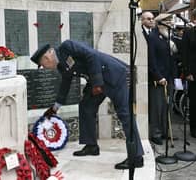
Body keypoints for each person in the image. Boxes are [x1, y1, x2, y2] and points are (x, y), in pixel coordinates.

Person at [30, 40, 144, 170]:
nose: (44, 68)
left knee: (125, 115)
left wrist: (97, 83)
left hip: (113, 76)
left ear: (46, 57)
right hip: (97, 82)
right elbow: (65, 84)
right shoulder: (61, 65)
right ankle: (91, 146)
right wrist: (55, 108)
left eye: (42, 65)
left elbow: (92, 55)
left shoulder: (67, 46)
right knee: (86, 106)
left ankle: (136, 157)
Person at [147, 13, 176, 145]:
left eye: (170, 20)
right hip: (158, 78)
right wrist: (158, 76)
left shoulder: (167, 37)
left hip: (169, 77)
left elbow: (172, 58)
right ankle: (156, 133)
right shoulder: (153, 37)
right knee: (157, 108)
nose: (170, 23)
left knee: (167, 106)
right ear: (160, 23)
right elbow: (151, 59)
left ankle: (166, 131)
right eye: (167, 21)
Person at [182, 7, 196, 138]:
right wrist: (187, 72)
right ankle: (194, 128)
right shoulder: (189, 32)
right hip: (194, 73)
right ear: (195, 19)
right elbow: (184, 54)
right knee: (194, 102)